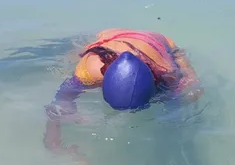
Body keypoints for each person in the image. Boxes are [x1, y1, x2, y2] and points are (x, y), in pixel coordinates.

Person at [43, 28, 203, 164]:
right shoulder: (91, 68)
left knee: (191, 88)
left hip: (161, 43)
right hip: (110, 35)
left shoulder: (167, 74)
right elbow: (61, 99)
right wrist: (54, 137)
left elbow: (181, 108)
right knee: (67, 66)